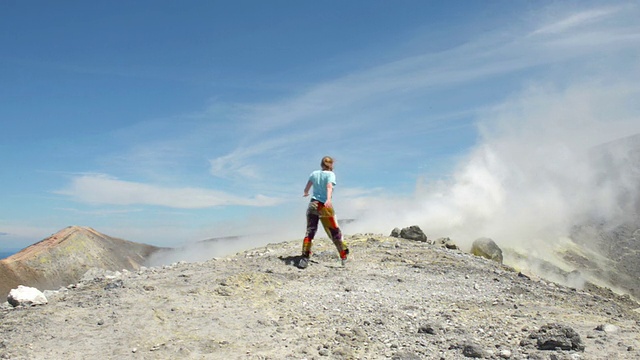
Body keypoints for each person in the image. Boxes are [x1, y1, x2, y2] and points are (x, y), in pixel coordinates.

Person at [298, 156, 349, 269]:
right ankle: (343, 255)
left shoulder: (314, 174)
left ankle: (305, 257)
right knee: (334, 231)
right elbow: (329, 186)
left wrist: (306, 192)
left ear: (321, 164)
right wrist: (328, 199)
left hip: (313, 204)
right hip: (324, 206)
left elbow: (307, 187)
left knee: (310, 231)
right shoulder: (331, 175)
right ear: (331, 165)